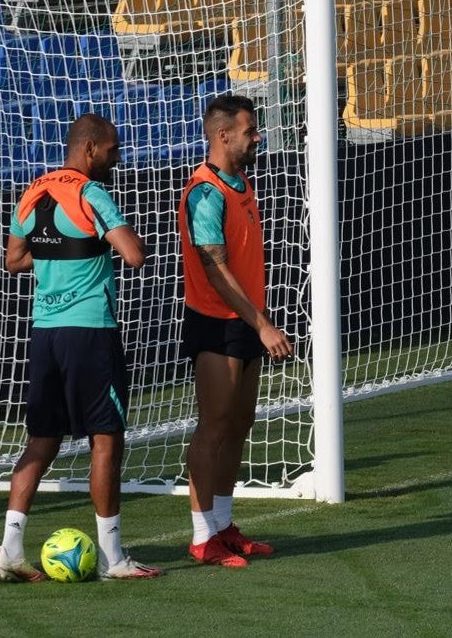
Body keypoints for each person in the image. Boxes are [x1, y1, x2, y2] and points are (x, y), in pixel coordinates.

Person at [0, 113, 163, 583]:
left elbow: (13, 260)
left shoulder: (31, 193)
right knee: (106, 440)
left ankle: (9, 550)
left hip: (45, 334)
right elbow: (134, 255)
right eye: (112, 149)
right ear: (88, 148)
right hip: (90, 332)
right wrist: (107, 243)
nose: (117, 157)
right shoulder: (91, 194)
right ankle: (112, 558)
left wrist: (59, 254)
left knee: (40, 442)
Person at [177, 94, 293, 568]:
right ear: (223, 135)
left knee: (240, 422)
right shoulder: (205, 191)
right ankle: (202, 536)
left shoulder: (240, 182)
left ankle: (224, 525)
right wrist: (262, 324)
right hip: (217, 323)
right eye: (250, 129)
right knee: (215, 424)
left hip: (245, 321)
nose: (257, 135)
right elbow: (214, 269)